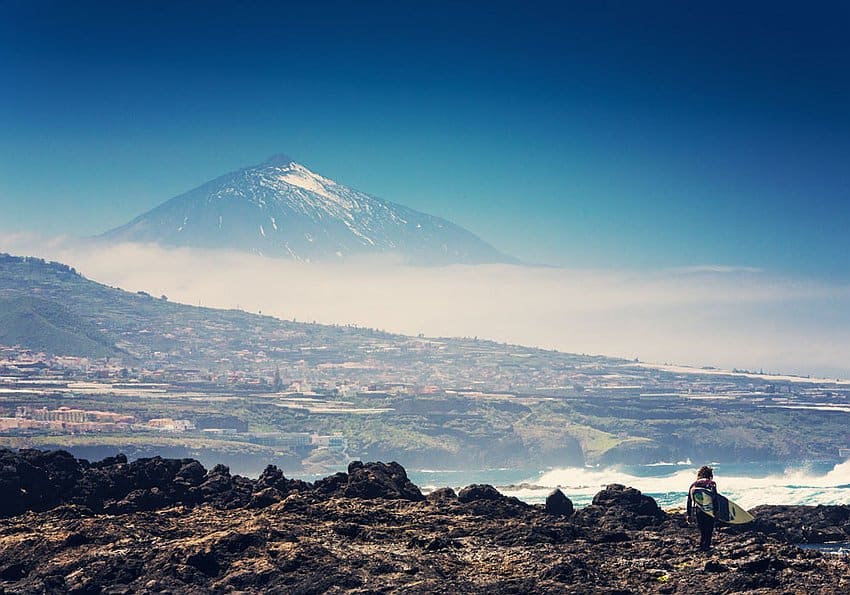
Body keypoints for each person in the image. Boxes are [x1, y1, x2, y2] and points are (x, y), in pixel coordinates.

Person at [686, 465, 717, 551]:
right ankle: (706, 547)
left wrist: (689, 515)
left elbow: (689, 500)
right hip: (709, 510)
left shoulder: (694, 484)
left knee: (702, 530)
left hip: (698, 510)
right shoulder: (711, 483)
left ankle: (702, 546)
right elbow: (714, 498)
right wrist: (716, 512)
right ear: (709, 474)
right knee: (709, 530)